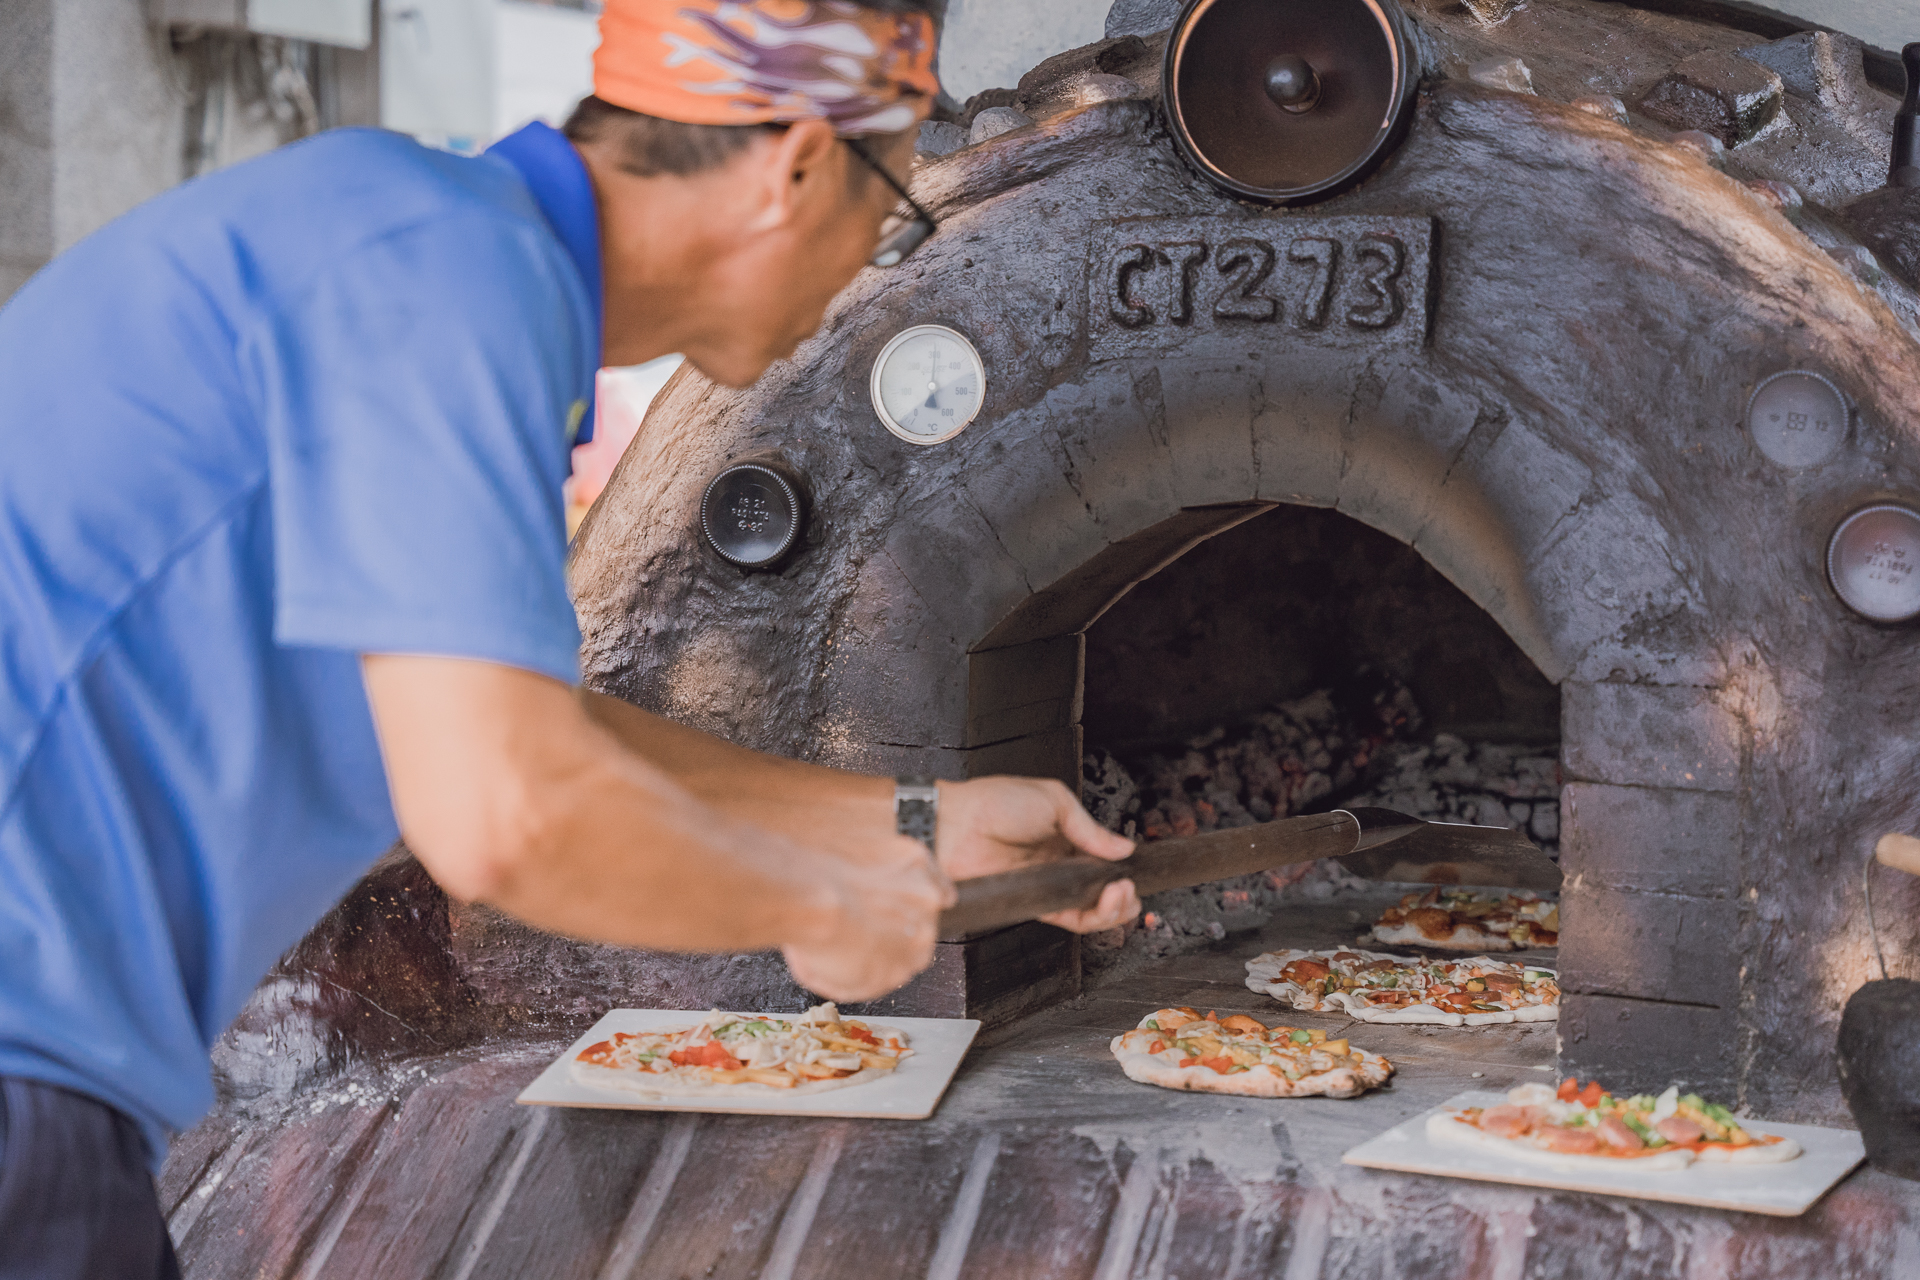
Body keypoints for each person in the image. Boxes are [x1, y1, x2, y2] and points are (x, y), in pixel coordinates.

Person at [0, 3, 1139, 1275]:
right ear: (800, 163)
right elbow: (502, 813)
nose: (864, 270)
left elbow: (535, 724)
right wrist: (819, 898)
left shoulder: (434, 254)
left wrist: (912, 820)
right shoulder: (446, 276)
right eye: (889, 213)